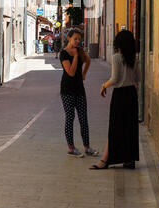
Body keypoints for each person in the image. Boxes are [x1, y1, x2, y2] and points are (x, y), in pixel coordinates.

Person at [90, 30, 141, 170]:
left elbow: (115, 79)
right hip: (131, 94)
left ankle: (105, 160)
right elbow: (138, 79)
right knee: (130, 128)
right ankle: (129, 160)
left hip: (120, 95)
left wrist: (103, 85)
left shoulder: (117, 57)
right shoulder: (134, 58)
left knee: (115, 127)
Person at [59, 27, 99, 158]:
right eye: (75, 38)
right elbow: (70, 72)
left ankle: (87, 147)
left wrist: (84, 74)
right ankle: (71, 148)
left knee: (83, 119)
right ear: (69, 38)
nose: (77, 41)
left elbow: (88, 61)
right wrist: (75, 56)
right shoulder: (64, 54)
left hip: (79, 89)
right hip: (67, 90)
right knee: (70, 118)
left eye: (79, 39)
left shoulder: (80, 51)